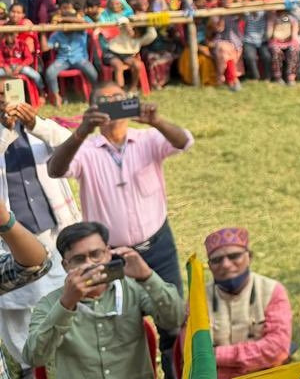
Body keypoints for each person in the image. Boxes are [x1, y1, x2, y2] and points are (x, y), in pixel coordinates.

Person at [46, 83, 194, 378]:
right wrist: (81, 131)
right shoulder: (86, 149)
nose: (112, 104)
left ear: (129, 103)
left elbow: (184, 142)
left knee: (172, 320)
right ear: (92, 109)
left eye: (118, 98)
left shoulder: (148, 138)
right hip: (109, 255)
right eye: (104, 100)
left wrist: (157, 121)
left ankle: (175, 372)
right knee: (116, 321)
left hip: (158, 246)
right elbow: (55, 169)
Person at [24, 221, 182, 379]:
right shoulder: (49, 304)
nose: (89, 264)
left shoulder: (133, 287)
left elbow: (175, 319)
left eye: (96, 255)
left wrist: (147, 276)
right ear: (66, 265)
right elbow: (34, 357)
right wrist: (66, 305)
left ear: (108, 254)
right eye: (79, 259)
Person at [0, 98, 73, 377]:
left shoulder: (37, 128)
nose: (4, 100)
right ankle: (30, 367)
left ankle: (68, 360)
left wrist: (35, 124)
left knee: (61, 296)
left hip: (53, 233)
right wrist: (5, 130)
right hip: (9, 244)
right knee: (18, 310)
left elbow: (71, 145)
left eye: (8, 92)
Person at [199, 227, 293, 379]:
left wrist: (217, 355)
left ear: (249, 257)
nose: (226, 264)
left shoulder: (272, 291)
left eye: (234, 256)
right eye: (216, 260)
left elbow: (277, 348)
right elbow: (194, 354)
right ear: (209, 266)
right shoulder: (198, 299)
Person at [44, 1, 98, 106]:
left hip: (80, 59)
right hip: (62, 60)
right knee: (50, 72)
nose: (67, 28)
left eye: (69, 24)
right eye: (64, 25)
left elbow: (87, 23)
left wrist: (64, 19)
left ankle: (95, 93)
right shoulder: (56, 34)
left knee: (93, 73)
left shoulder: (80, 30)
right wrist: (42, 33)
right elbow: (45, 48)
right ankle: (56, 96)